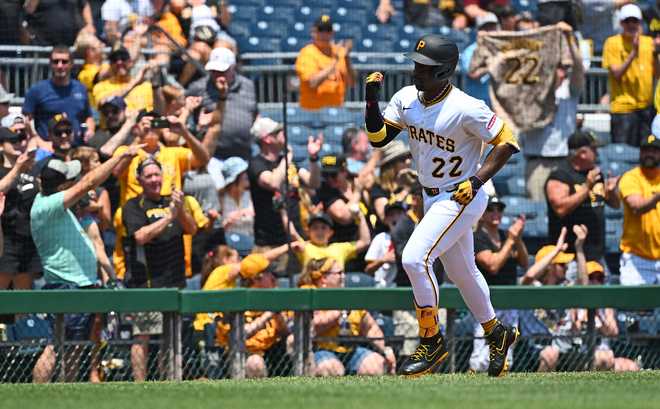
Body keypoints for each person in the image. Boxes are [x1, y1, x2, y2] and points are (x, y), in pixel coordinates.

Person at [364, 34, 521, 377]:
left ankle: (431, 339)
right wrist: (371, 100)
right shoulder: (407, 98)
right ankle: (497, 333)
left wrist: (477, 181)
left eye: (426, 67)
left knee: (414, 258)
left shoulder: (465, 106)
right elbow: (378, 139)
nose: (417, 71)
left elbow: (507, 142)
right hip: (431, 195)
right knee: (464, 274)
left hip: (462, 194)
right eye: (417, 64)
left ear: (446, 71)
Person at [30, 144, 140, 383]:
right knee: (55, 346)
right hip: (66, 286)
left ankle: (67, 392)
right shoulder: (48, 205)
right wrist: (119, 156)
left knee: (75, 347)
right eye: (70, 178)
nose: (74, 180)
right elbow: (89, 183)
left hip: (82, 284)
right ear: (61, 186)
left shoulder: (53, 200)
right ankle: (37, 394)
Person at [122, 157, 198, 382]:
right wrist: (168, 217)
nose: (155, 180)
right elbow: (140, 236)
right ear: (139, 180)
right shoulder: (133, 206)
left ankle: (171, 380)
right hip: (146, 283)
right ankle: (140, 384)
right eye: (149, 176)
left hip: (174, 280)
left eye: (157, 175)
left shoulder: (171, 202)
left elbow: (192, 229)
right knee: (142, 335)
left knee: (172, 336)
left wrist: (179, 210)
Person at [193, 244, 298, 379]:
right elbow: (253, 264)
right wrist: (286, 248)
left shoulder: (273, 294)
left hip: (264, 349)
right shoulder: (223, 275)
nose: (274, 279)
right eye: (238, 259)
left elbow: (285, 331)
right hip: (213, 337)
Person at [520, 22, 585, 201]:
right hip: (537, 162)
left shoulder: (569, 91)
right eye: (555, 67)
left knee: (565, 211)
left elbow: (579, 68)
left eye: (562, 67)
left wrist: (570, 39)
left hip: (565, 161)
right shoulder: (529, 91)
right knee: (537, 211)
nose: (560, 72)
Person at [248, 116, 322, 274]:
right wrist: (288, 156)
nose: (283, 133)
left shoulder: (287, 163)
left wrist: (314, 159)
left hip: (295, 240)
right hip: (270, 243)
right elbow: (273, 182)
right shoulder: (257, 164)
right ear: (267, 139)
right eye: (278, 132)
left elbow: (313, 182)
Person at [299, 257, 396, 376]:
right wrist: (339, 310)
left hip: (352, 350)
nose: (344, 276)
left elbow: (370, 328)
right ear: (324, 278)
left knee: (376, 366)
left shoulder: (349, 296)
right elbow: (312, 326)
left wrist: (386, 350)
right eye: (339, 273)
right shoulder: (311, 294)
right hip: (322, 349)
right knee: (331, 370)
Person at [469, 195, 528, 373]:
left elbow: (524, 262)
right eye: (490, 209)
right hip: (487, 301)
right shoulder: (477, 237)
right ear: (482, 213)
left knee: (507, 351)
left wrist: (516, 239)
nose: (496, 213)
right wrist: (511, 241)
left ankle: (500, 377)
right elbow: (492, 265)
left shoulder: (504, 235)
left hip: (509, 301)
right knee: (481, 354)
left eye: (499, 209)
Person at [545, 130, 620, 264]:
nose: (597, 154)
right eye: (594, 149)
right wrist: (587, 187)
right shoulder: (560, 176)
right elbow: (560, 209)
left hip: (596, 256)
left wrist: (612, 191)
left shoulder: (595, 174)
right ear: (582, 153)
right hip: (568, 257)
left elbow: (615, 205)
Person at [186, 46, 257, 160]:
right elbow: (182, 111)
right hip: (212, 155)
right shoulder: (198, 88)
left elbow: (254, 111)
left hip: (244, 153)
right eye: (214, 71)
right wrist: (195, 127)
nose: (218, 76)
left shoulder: (248, 86)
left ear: (233, 68)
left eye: (222, 71)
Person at [602, 3, 656, 146]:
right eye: (627, 21)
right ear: (621, 23)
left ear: (640, 23)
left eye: (635, 21)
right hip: (623, 110)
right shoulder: (612, 43)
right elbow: (617, 74)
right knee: (623, 156)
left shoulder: (649, 43)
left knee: (647, 154)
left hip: (646, 110)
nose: (631, 25)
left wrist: (658, 54)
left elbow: (657, 73)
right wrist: (633, 53)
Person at [22, 46, 95, 146]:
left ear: (71, 64)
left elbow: (88, 116)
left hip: (76, 147)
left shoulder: (81, 89)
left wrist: (90, 130)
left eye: (64, 62)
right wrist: (40, 143)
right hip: (47, 149)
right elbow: (26, 121)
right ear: (50, 64)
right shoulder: (37, 90)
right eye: (56, 62)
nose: (60, 66)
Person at [0, 127, 39, 290]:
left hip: (28, 238)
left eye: (21, 140)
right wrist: (17, 168)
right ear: (1, 145)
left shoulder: (31, 168)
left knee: (23, 296)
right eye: (13, 141)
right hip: (5, 239)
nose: (19, 144)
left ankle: (23, 317)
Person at [617, 134, 660, 285]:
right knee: (633, 308)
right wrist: (657, 196)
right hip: (637, 259)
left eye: (654, 150)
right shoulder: (631, 177)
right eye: (645, 150)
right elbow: (636, 207)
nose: (649, 154)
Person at [295, 14, 356, 111]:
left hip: (337, 111)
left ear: (332, 33)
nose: (324, 34)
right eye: (320, 30)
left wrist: (347, 57)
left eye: (328, 30)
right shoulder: (307, 53)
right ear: (313, 32)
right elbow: (313, 83)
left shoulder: (339, 52)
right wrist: (334, 63)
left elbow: (352, 82)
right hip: (312, 112)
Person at [293, 212, 371, 274]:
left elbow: (365, 242)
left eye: (323, 227)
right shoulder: (304, 246)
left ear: (331, 232)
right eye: (315, 227)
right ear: (308, 232)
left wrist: (360, 217)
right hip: (312, 290)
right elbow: (292, 233)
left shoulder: (340, 248)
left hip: (335, 290)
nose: (319, 232)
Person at [92, 45, 155, 113]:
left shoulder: (146, 86)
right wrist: (135, 83)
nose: (119, 62)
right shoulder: (100, 86)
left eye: (123, 58)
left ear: (130, 62)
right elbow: (104, 103)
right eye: (114, 59)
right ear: (110, 65)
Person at [365, 201, 406, 287]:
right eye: (391, 215)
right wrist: (383, 260)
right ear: (386, 220)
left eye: (399, 213)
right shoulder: (380, 238)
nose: (395, 218)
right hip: (382, 287)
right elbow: (368, 270)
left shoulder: (411, 237)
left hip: (404, 286)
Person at [462, 12, 498, 107]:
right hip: (477, 105)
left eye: (493, 27)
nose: (490, 31)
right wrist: (492, 65)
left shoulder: (502, 49)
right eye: (486, 28)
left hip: (498, 104)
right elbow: (472, 73)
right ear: (479, 30)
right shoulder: (470, 51)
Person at [22, 0, 95, 46]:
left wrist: (89, 24)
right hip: (44, 45)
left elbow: (85, 5)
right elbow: (28, 9)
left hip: (72, 45)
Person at [218, 156, 254, 237]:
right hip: (228, 245)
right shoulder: (221, 197)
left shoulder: (251, 195)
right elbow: (215, 228)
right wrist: (229, 221)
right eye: (243, 173)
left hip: (250, 243)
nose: (246, 175)